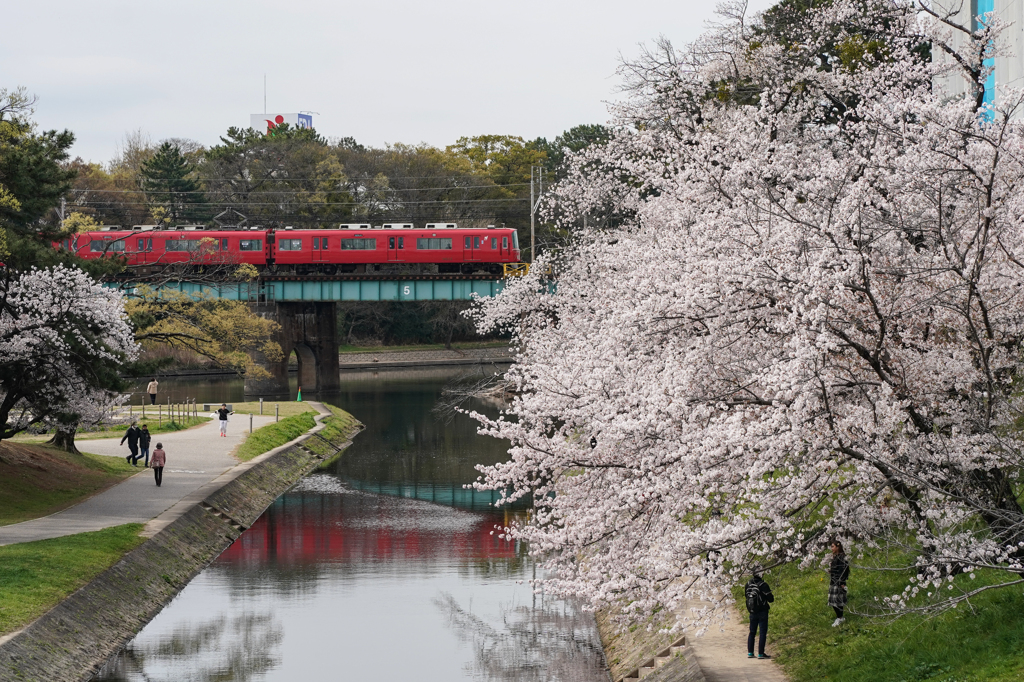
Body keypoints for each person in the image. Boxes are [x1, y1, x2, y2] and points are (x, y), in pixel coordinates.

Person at [745, 568, 775, 659]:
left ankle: (750, 652)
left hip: (752, 611)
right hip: (762, 611)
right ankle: (761, 653)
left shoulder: (748, 584)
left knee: (752, 632)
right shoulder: (763, 585)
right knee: (762, 632)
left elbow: (746, 596)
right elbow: (771, 599)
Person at [829, 541, 850, 627]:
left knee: (837, 601)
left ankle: (840, 617)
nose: (832, 548)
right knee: (834, 601)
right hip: (834, 581)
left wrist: (841, 582)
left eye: (833, 546)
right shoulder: (836, 557)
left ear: (838, 547)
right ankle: (839, 617)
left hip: (838, 582)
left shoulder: (842, 558)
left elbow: (844, 571)